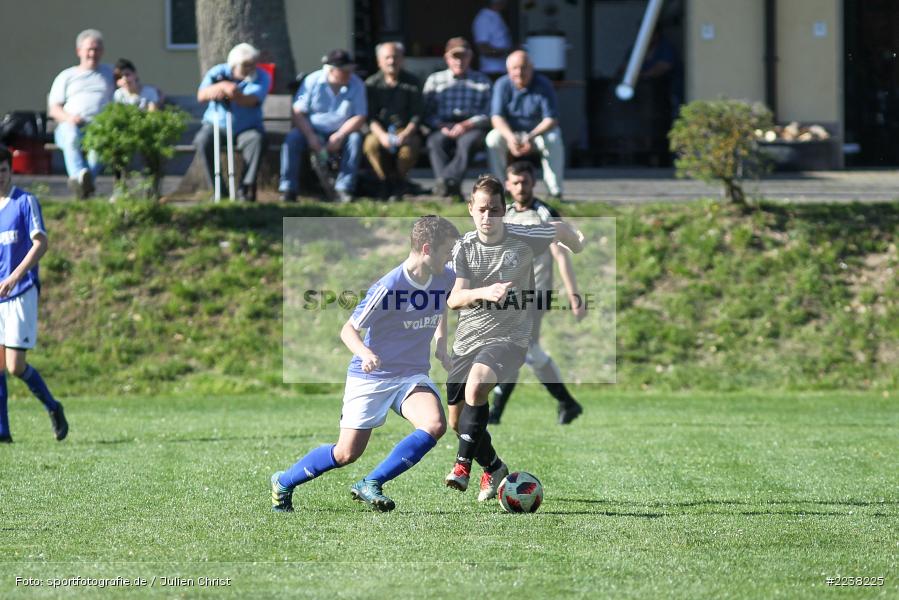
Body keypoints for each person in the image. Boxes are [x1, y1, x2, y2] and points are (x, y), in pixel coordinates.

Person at [271, 215, 460, 512]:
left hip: (410, 374)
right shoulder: (389, 286)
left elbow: (441, 306)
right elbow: (348, 329)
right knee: (346, 453)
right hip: (372, 376)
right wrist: (365, 353)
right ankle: (283, 481)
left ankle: (371, 482)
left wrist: (441, 346)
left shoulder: (444, 276)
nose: (450, 257)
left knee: (435, 424)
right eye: (447, 250)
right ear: (426, 249)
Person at [444, 174, 584, 502]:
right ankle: (493, 467)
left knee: (478, 385)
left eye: (494, 209)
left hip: (511, 336)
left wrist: (577, 241)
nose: (487, 216)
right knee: (457, 422)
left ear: (504, 210)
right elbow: (454, 299)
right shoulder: (463, 247)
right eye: (481, 209)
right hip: (469, 339)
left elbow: (561, 231)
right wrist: (485, 292)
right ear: (470, 209)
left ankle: (462, 466)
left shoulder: (524, 236)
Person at [490, 161, 584, 425]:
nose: (521, 187)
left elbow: (561, 255)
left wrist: (574, 294)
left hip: (536, 293)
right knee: (525, 351)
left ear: (534, 183)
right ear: (508, 185)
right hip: (509, 296)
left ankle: (495, 413)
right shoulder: (503, 213)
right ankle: (567, 402)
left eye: (525, 182)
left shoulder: (545, 213)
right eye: (515, 183)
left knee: (517, 348)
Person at [0, 146, 68, 444]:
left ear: (9, 170)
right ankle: (3, 431)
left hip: (20, 291)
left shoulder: (25, 202)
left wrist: (15, 276)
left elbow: (40, 243)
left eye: (2, 170)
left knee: (15, 366)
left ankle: (53, 407)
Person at [279, 49, 367, 203]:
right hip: (312, 130)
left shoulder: (357, 84)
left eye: (350, 70)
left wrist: (340, 135)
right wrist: (310, 136)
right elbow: (298, 112)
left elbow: (360, 116)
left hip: (342, 131)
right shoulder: (312, 81)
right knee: (292, 139)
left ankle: (344, 188)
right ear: (332, 70)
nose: (349, 74)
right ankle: (288, 188)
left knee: (355, 139)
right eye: (344, 70)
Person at [193, 42, 270, 202]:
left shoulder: (262, 76)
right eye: (246, 65)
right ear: (234, 65)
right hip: (217, 125)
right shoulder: (217, 72)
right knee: (202, 140)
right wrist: (222, 86)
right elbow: (202, 95)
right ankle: (219, 190)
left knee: (257, 140)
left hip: (247, 128)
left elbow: (250, 100)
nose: (251, 68)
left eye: (253, 64)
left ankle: (245, 189)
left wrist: (234, 93)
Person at [487, 50, 565, 199]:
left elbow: (551, 118)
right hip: (511, 133)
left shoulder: (544, 84)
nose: (519, 72)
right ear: (508, 70)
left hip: (537, 133)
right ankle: (500, 189)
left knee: (554, 138)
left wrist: (531, 136)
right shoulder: (502, 84)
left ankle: (555, 190)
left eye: (523, 67)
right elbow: (496, 117)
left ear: (531, 67)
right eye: (514, 68)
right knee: (493, 139)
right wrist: (510, 138)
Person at [47, 29, 115, 199]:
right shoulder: (66, 76)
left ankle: (81, 183)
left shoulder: (110, 73)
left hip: (99, 127)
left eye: (97, 49)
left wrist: (154, 93)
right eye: (89, 49)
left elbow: (131, 86)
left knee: (97, 151)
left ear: (102, 51)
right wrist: (69, 118)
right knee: (71, 138)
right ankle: (82, 179)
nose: (93, 53)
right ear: (79, 51)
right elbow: (54, 109)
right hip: (71, 125)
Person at [422, 38, 492, 198]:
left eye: (463, 56)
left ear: (470, 57)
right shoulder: (434, 80)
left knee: (466, 143)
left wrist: (466, 124)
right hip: (442, 124)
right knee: (435, 142)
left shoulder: (482, 81)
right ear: (447, 58)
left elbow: (489, 113)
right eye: (455, 56)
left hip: (472, 125)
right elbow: (426, 112)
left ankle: (444, 182)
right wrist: (441, 125)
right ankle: (449, 187)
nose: (459, 61)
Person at [364, 42, 424, 201]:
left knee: (409, 148)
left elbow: (417, 114)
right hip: (379, 130)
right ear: (379, 62)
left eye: (395, 57)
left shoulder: (412, 82)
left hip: (404, 129)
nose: (392, 61)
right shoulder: (371, 84)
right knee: (371, 144)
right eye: (387, 58)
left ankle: (399, 181)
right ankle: (384, 181)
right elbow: (370, 117)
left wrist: (406, 133)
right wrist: (382, 135)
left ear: (402, 59)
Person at [472, 0, 512, 80]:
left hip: (504, 69)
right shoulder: (483, 18)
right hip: (491, 71)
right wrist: (509, 52)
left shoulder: (497, 15)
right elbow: (483, 49)